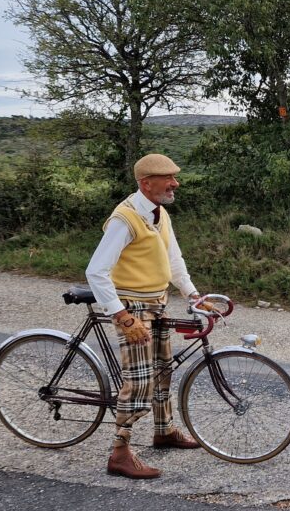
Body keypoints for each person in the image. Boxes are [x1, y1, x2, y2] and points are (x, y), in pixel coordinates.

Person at [86, 153, 208, 479]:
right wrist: (123, 317)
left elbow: (174, 257)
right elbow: (96, 271)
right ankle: (120, 453)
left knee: (163, 373)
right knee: (139, 380)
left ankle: (164, 430)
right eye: (168, 178)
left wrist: (193, 294)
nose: (175, 183)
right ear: (146, 183)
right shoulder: (124, 219)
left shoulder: (160, 214)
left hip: (157, 302)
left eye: (174, 176)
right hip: (132, 307)